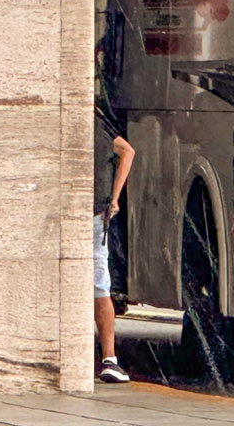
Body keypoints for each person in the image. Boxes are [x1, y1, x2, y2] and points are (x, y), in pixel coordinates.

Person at [94, 106, 134, 384]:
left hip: (83, 213)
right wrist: (115, 197)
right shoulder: (98, 123)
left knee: (97, 286)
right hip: (96, 213)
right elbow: (127, 151)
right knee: (99, 286)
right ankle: (109, 359)